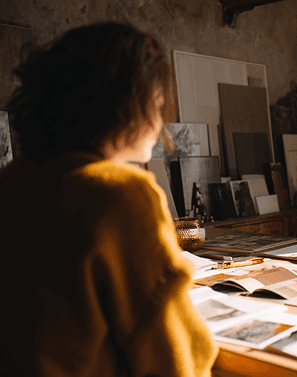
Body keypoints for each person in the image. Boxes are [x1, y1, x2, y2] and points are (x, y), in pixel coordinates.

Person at [0, 22, 218, 376]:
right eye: (158, 98)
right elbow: (174, 362)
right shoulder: (122, 194)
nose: (163, 115)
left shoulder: (12, 181)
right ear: (128, 100)